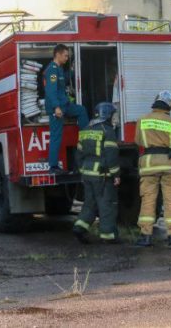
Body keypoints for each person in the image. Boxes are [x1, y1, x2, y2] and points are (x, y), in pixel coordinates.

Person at [135, 91, 171, 248]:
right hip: (168, 164)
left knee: (148, 199)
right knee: (170, 200)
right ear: (169, 105)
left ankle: (145, 236)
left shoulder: (142, 120)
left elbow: (138, 141)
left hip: (148, 164)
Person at [73, 103, 120, 244]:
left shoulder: (86, 130)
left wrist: (83, 171)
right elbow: (111, 155)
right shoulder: (108, 131)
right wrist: (116, 174)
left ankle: (79, 227)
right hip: (102, 175)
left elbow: (79, 155)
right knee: (107, 205)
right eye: (112, 115)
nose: (113, 118)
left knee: (89, 203)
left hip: (87, 173)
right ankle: (108, 236)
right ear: (106, 114)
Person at [43, 44, 89, 173]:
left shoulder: (60, 69)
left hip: (65, 105)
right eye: (65, 55)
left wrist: (74, 70)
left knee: (81, 110)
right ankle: (53, 166)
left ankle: (86, 140)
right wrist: (56, 107)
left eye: (68, 56)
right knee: (56, 136)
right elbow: (51, 90)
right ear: (57, 54)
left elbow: (64, 79)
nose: (67, 58)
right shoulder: (52, 70)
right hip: (57, 108)